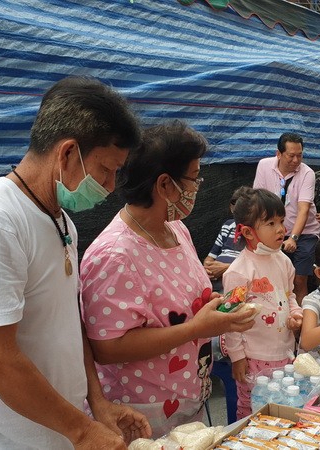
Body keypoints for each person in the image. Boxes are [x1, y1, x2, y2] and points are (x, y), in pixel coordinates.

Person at [0, 76, 152, 449]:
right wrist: (81, 430)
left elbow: (66, 321)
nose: (111, 185)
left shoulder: (62, 222)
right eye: (106, 169)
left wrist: (96, 404)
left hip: (52, 435)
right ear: (66, 153)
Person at [79, 121, 256, 437]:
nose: (197, 187)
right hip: (142, 415)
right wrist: (197, 328)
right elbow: (107, 347)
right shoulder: (114, 255)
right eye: (193, 178)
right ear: (164, 185)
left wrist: (216, 307)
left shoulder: (175, 228)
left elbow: (186, 301)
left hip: (189, 401)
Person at [222, 187, 303, 419]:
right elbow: (230, 320)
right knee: (252, 411)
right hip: (253, 358)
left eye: (281, 221)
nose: (280, 229)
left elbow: (289, 296)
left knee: (282, 409)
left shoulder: (283, 261)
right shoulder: (239, 271)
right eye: (270, 223)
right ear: (248, 232)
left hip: (284, 353)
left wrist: (295, 314)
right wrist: (237, 358)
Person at [253, 133, 320, 304]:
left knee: (299, 279)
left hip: (304, 234)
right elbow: (258, 200)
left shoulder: (307, 173)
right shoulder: (264, 166)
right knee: (274, 278)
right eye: (291, 155)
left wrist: (293, 238)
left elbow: (303, 209)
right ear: (279, 154)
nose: (296, 160)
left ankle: (302, 324)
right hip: (273, 232)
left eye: (300, 155)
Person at [204, 189, 245, 292]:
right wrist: (209, 269)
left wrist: (227, 268)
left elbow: (255, 266)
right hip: (214, 282)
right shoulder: (228, 226)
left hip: (239, 285)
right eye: (236, 208)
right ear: (231, 208)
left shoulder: (256, 233)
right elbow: (210, 258)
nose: (240, 213)